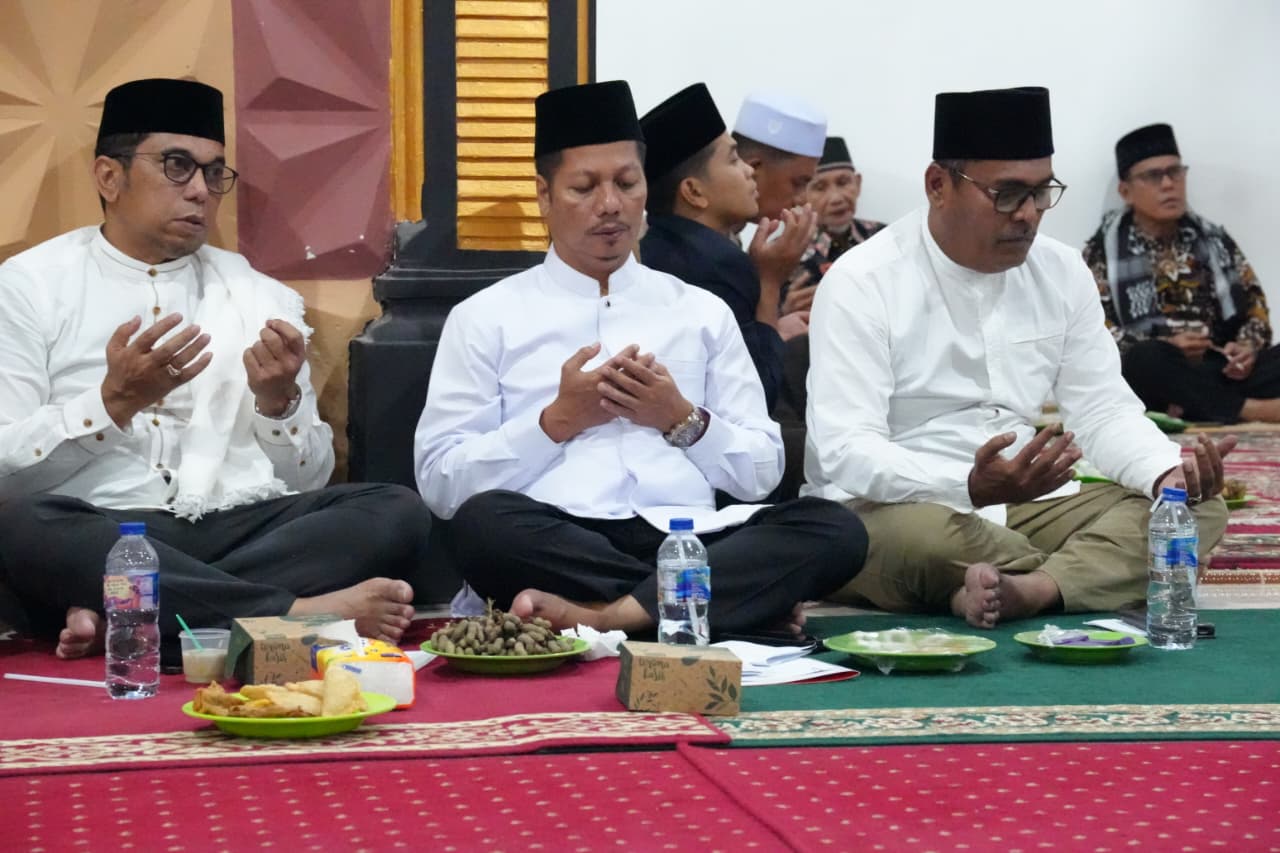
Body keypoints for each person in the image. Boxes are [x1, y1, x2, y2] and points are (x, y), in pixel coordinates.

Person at [413, 80, 866, 637]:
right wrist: (555, 423)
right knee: (482, 525)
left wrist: (682, 419)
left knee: (835, 528)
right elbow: (441, 484)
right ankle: (712, 606)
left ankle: (611, 616)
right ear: (544, 195)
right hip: (558, 537)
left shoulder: (701, 311)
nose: (610, 205)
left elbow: (761, 472)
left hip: (689, 534)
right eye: (584, 187)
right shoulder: (485, 317)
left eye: (627, 183)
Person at [0, 78, 430, 659]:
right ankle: (292, 614)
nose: (201, 191)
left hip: (233, 522)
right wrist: (112, 403)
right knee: (23, 525)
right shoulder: (29, 287)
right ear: (109, 177)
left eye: (214, 173)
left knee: (394, 510)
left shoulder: (258, 296)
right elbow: (6, 470)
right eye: (177, 166)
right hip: (103, 525)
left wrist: (278, 405)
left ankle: (129, 612)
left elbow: (306, 481)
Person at [804, 86, 1232, 628]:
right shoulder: (862, 281)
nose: (1028, 214)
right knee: (920, 541)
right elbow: (846, 451)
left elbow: (1102, 409)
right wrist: (968, 484)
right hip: (898, 510)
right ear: (938, 186)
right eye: (1006, 194)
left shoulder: (1061, 271)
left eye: (1041, 192)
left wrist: (1163, 471)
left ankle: (1027, 588)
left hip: (1025, 505)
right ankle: (1075, 576)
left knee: (1196, 509)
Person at [1082, 123, 1280, 423]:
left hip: (1219, 368)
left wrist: (1245, 349)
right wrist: (1169, 346)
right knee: (1145, 361)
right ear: (1126, 191)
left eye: (1175, 172)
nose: (1168, 184)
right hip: (1158, 369)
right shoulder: (1102, 252)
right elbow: (1095, 331)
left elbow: (1255, 307)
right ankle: (1251, 410)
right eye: (1153, 176)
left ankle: (1200, 406)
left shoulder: (1214, 240)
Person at [638, 83, 795, 413]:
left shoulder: (655, 246)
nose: (750, 171)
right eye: (734, 160)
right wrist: (770, 283)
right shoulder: (717, 264)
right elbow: (757, 396)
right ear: (694, 192)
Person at [775, 136, 887, 423]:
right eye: (820, 187)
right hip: (812, 377)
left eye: (843, 182)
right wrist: (783, 313)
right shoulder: (785, 250)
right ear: (802, 194)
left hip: (882, 364)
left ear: (858, 184)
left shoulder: (885, 240)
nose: (836, 197)